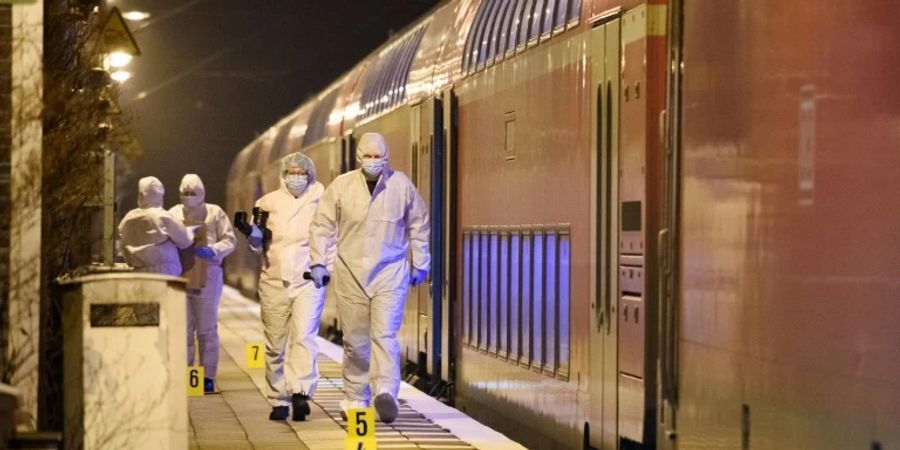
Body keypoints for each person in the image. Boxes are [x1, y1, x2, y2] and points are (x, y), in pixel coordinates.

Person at [308, 132, 430, 423]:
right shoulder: (341, 187)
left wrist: (421, 263)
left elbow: (419, 225)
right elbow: (321, 226)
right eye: (368, 156)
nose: (373, 162)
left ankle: (385, 391)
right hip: (351, 273)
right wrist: (317, 263)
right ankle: (355, 396)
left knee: (385, 334)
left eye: (378, 156)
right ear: (358, 157)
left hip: (390, 272)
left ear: (386, 157)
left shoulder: (401, 187)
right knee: (355, 340)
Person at [248, 153, 327, 421]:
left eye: (301, 173)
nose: (296, 177)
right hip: (274, 280)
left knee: (304, 336)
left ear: (310, 174)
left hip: (309, 279)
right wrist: (253, 236)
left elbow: (331, 236)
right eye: (291, 172)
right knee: (275, 343)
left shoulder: (322, 200)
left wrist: (324, 266)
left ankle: (301, 393)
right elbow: (256, 243)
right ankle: (277, 398)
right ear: (283, 175)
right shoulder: (267, 203)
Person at [169, 174, 236, 394]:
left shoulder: (215, 213)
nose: (189, 198)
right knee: (184, 330)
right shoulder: (172, 214)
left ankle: (207, 376)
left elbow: (230, 240)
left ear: (202, 193)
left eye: (193, 193)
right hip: (180, 276)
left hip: (208, 276)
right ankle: (186, 373)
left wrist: (214, 250)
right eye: (185, 193)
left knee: (206, 329)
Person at [118, 176, 193, 276]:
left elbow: (121, 240)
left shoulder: (129, 217)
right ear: (159, 195)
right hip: (164, 272)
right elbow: (185, 241)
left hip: (138, 273)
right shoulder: (162, 216)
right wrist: (191, 231)